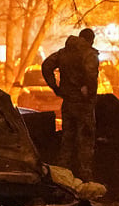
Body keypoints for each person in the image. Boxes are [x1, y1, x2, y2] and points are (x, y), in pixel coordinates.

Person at [42, 28, 100, 180]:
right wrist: (90, 93)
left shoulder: (63, 53)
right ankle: (84, 177)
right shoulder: (89, 54)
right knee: (85, 140)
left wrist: (55, 87)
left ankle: (62, 177)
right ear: (91, 40)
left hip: (68, 102)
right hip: (83, 104)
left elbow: (46, 65)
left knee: (67, 138)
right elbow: (91, 75)